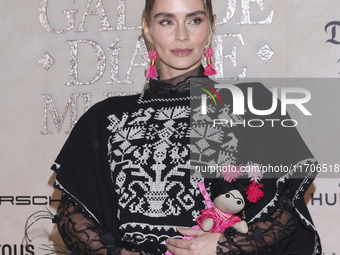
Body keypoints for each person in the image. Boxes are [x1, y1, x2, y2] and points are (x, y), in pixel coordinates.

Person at [36, 0, 321, 254]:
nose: (182, 35)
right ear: (147, 30)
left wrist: (224, 246)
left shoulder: (249, 105)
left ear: (211, 27)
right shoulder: (105, 117)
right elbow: (72, 214)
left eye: (195, 20)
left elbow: (285, 213)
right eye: (166, 21)